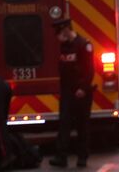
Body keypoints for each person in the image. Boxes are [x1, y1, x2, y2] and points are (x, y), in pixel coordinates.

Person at [49, 18, 94, 168]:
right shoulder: (65, 47)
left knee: (82, 125)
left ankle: (82, 157)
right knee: (64, 124)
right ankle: (61, 157)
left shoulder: (83, 45)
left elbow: (89, 70)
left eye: (60, 33)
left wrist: (83, 88)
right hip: (67, 92)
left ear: (66, 30)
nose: (58, 37)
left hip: (81, 92)